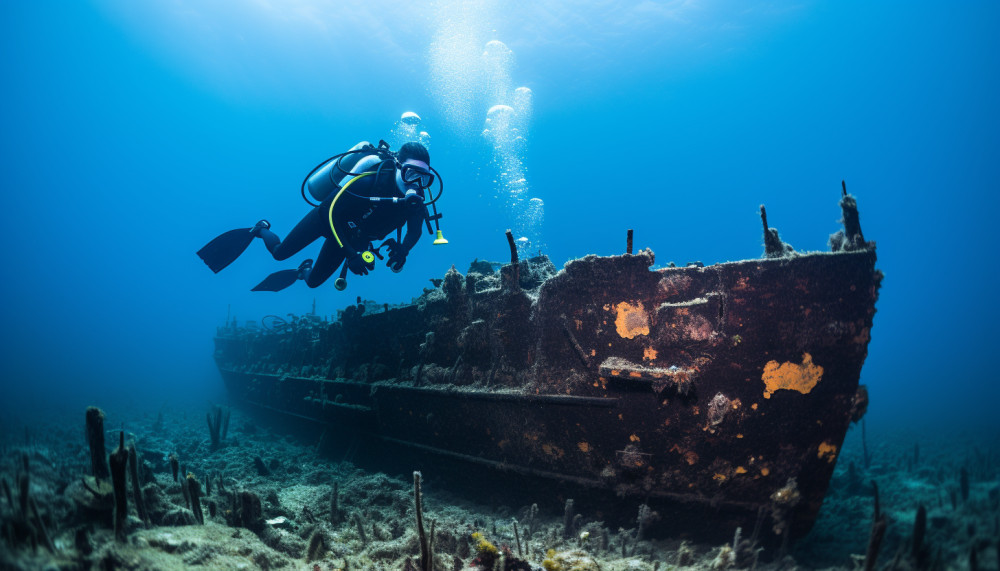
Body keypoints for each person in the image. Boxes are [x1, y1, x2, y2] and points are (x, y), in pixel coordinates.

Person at [197, 141, 440, 291]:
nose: (416, 184)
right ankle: (261, 229)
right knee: (279, 254)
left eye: (424, 178)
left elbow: (415, 231)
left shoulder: (415, 202)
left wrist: (403, 250)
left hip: (353, 237)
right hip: (327, 219)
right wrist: (351, 254)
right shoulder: (368, 181)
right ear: (398, 166)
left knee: (313, 282)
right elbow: (327, 210)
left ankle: (302, 270)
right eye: (411, 174)